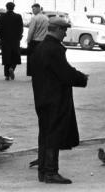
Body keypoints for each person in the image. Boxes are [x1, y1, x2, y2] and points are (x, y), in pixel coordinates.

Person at [30, 16, 88, 184]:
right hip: (54, 99)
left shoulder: (40, 48)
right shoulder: (54, 49)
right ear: (57, 29)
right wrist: (82, 78)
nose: (65, 34)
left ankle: (43, 171)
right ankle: (51, 172)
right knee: (53, 135)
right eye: (64, 30)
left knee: (45, 134)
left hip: (42, 98)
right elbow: (65, 73)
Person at [0, 1, 23, 80]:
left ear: (6, 8)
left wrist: (0, 38)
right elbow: (20, 28)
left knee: (6, 57)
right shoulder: (18, 16)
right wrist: (19, 37)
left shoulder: (2, 16)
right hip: (15, 40)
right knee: (15, 56)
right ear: (13, 8)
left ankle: (7, 75)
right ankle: (12, 68)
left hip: (5, 40)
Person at [26, 3, 49, 77]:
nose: (33, 11)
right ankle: (41, 73)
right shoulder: (46, 18)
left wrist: (28, 40)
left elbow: (31, 30)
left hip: (34, 41)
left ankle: (33, 73)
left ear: (38, 9)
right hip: (44, 41)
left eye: (34, 9)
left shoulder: (35, 18)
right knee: (41, 58)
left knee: (32, 58)